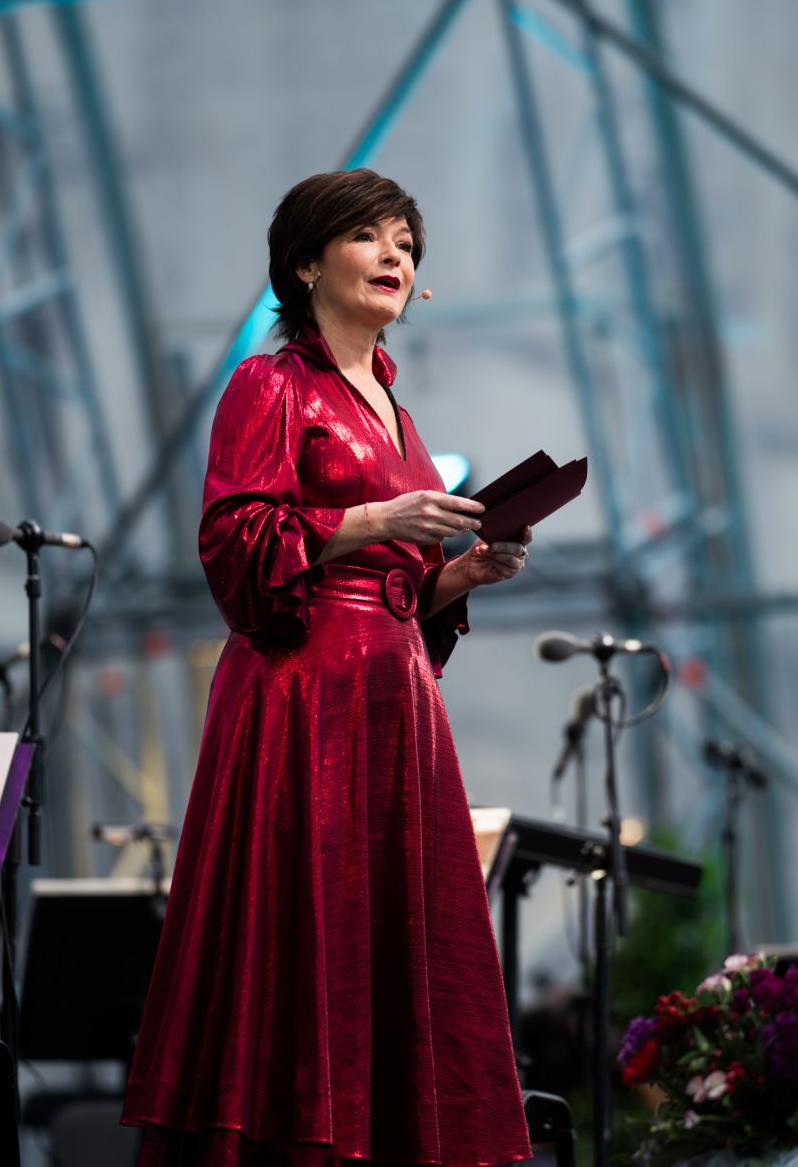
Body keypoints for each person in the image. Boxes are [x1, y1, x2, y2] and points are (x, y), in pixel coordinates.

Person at [121, 169, 535, 1167]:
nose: (395, 254)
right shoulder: (269, 385)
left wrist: (465, 572)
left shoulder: (398, 413)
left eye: (406, 241)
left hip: (393, 702)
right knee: (301, 941)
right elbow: (234, 546)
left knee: (390, 954)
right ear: (306, 263)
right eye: (368, 235)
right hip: (299, 697)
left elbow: (395, 593)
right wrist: (373, 519)